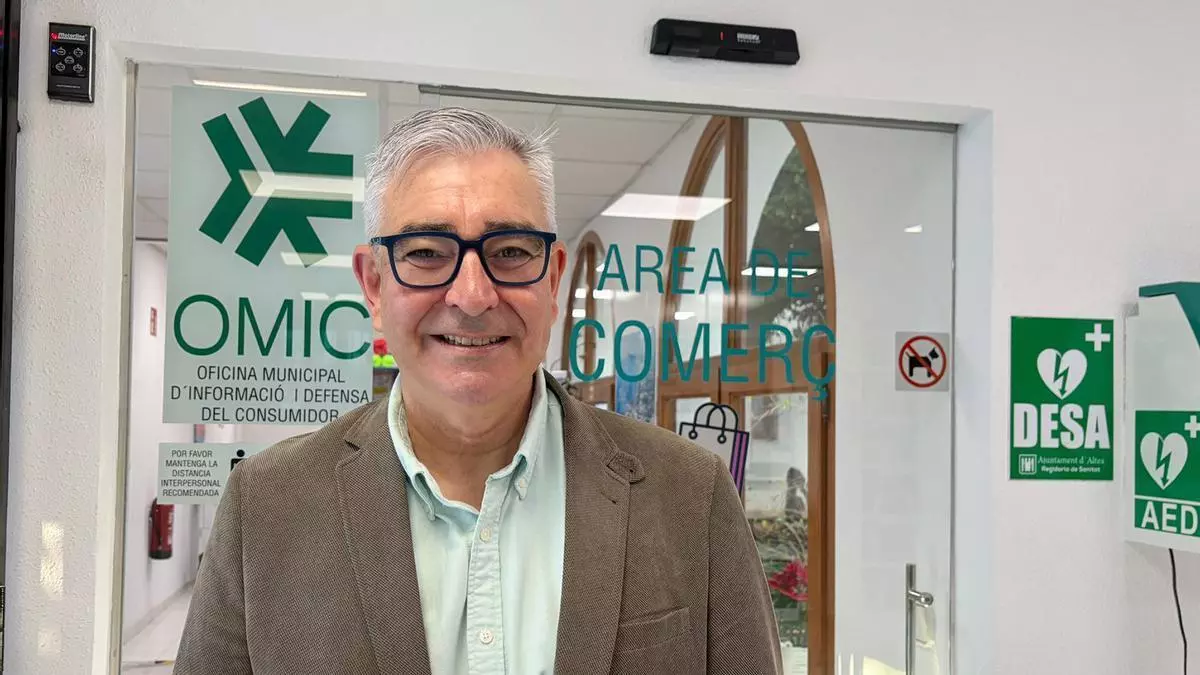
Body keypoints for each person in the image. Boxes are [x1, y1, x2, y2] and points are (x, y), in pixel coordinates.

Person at [175, 107, 781, 674]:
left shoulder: (690, 494)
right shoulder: (267, 506)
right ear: (373, 285)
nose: (471, 296)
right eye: (426, 253)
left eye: (511, 251)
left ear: (553, 281)